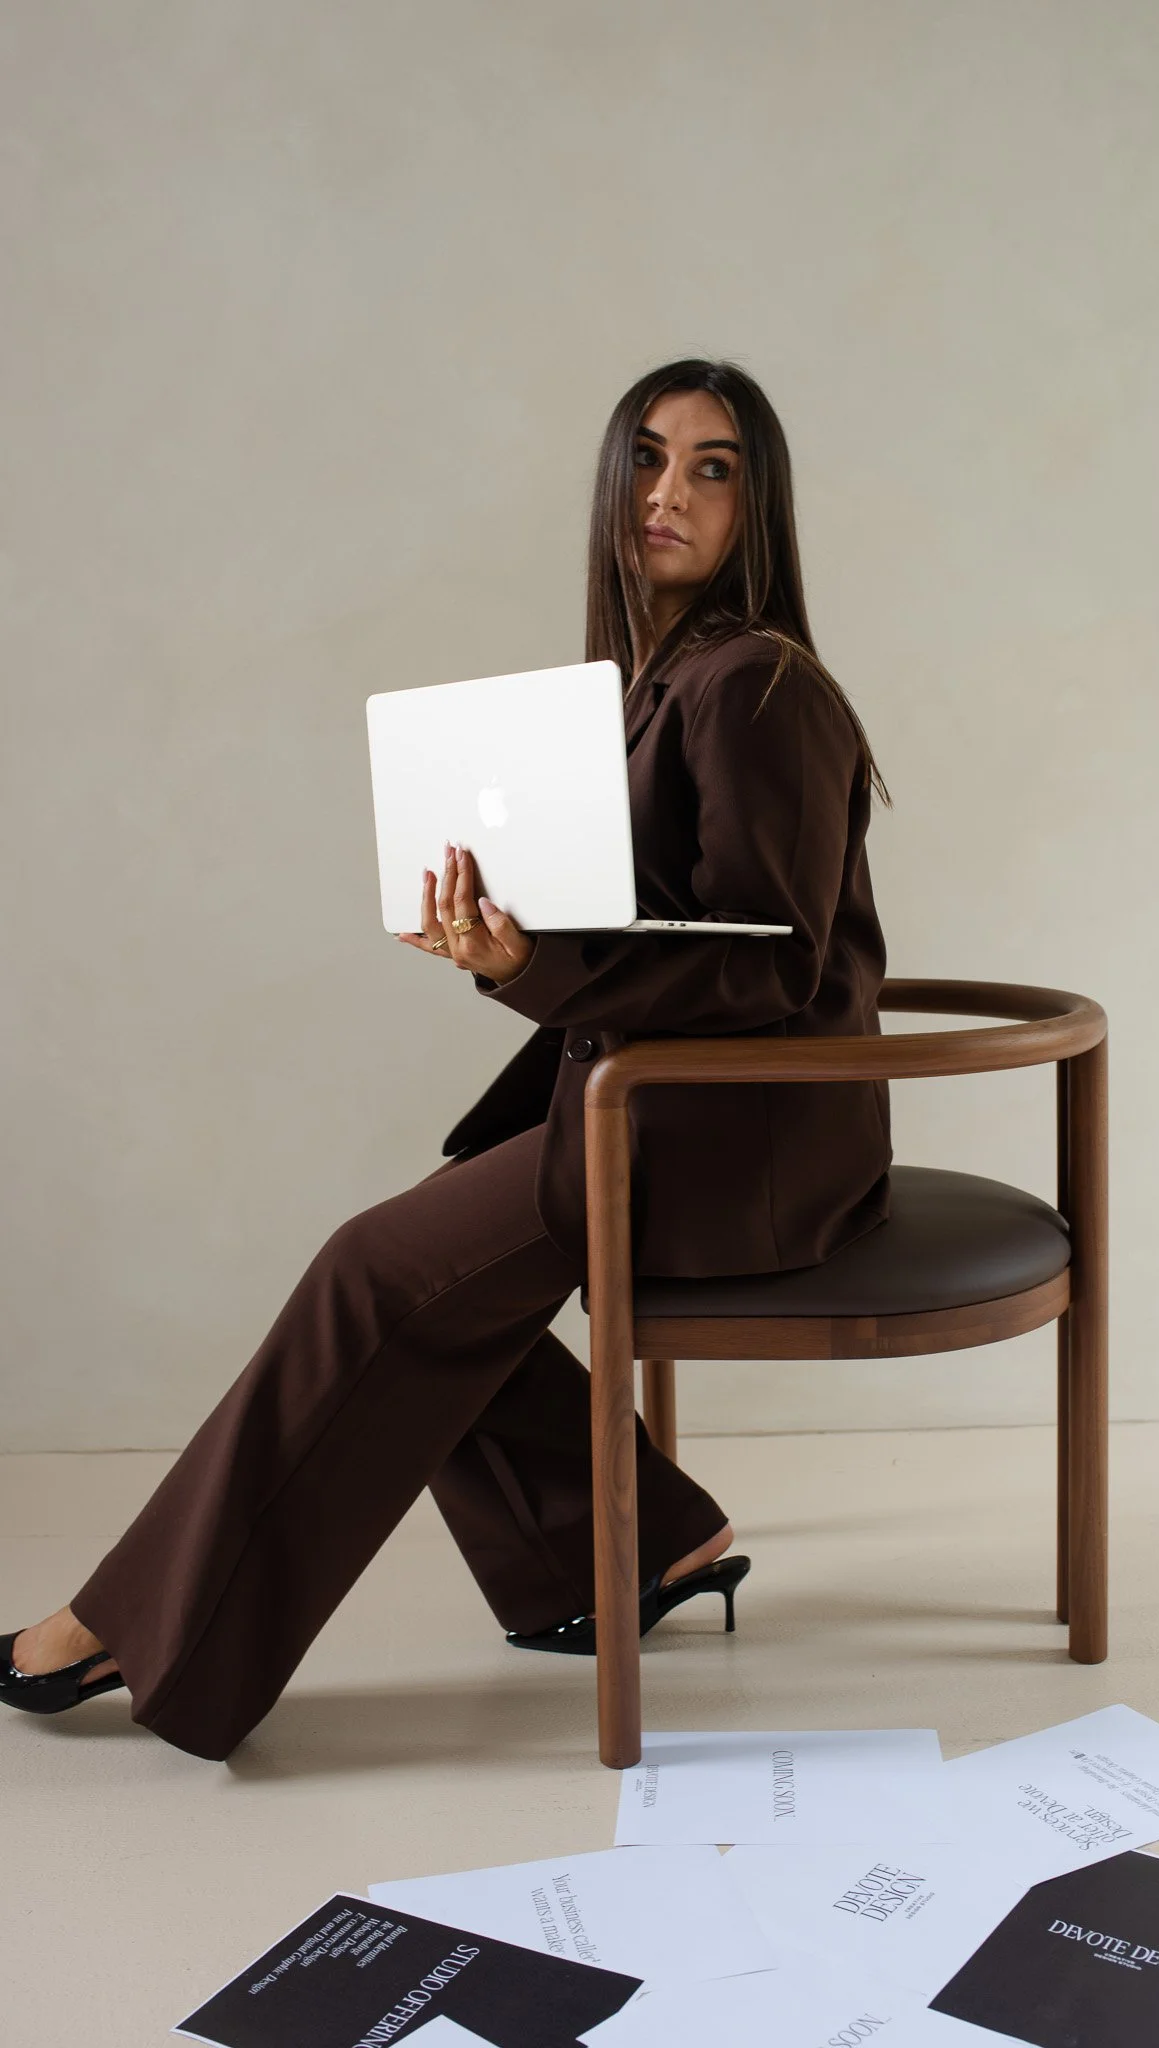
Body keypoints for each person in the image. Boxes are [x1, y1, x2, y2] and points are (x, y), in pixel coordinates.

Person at [1, 359, 892, 1760]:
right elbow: (675, 927)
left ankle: (136, 1626)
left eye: (712, 470)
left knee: (376, 1271)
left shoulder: (754, 687)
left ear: (756, 509)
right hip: (645, 1097)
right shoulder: (648, 685)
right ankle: (650, 1548)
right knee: (424, 1276)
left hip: (740, 1129)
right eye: (647, 459)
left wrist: (526, 969)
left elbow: (767, 963)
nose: (668, 494)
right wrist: (512, 942)